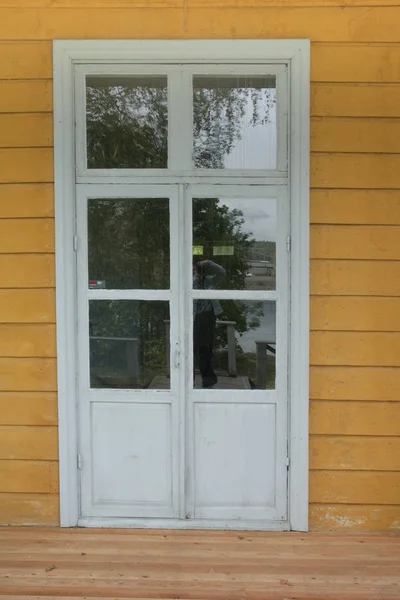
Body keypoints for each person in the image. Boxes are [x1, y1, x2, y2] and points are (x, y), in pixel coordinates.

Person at [193, 259, 226, 388]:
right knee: (191, 349)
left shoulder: (209, 281)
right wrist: (195, 277)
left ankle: (208, 380)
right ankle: (188, 381)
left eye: (196, 270)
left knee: (206, 350)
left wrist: (210, 263)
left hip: (207, 318)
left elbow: (222, 273)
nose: (194, 273)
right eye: (192, 271)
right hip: (194, 318)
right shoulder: (189, 282)